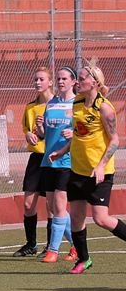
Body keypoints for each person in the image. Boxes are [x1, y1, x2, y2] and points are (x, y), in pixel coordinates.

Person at [49, 59, 124, 274]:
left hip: (99, 173)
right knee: (76, 217)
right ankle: (83, 259)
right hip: (77, 170)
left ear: (94, 83)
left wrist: (101, 165)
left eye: (81, 79)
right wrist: (62, 151)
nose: (77, 82)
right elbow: (78, 134)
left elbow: (115, 140)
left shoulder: (105, 108)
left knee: (101, 219)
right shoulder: (77, 103)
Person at [13, 67, 54, 258]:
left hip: (52, 158)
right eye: (35, 79)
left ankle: (51, 246)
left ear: (50, 82)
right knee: (29, 204)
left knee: (52, 206)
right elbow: (26, 128)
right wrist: (28, 134)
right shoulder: (30, 107)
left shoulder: (58, 105)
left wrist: (44, 130)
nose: (37, 82)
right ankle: (31, 244)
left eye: (41, 79)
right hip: (36, 158)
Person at [37, 67, 77, 263]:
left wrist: (74, 133)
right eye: (59, 79)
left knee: (60, 205)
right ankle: (76, 245)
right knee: (53, 206)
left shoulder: (77, 104)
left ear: (73, 82)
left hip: (66, 161)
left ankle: (53, 250)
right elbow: (45, 134)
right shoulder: (51, 103)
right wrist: (39, 128)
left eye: (64, 79)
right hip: (48, 160)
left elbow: (86, 131)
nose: (61, 82)